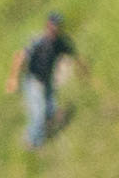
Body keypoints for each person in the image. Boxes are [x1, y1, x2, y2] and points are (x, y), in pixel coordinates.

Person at [10, 11, 78, 150]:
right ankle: (33, 142)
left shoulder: (60, 43)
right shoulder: (38, 41)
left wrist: (83, 69)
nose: (54, 28)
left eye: (57, 26)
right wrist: (13, 79)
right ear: (47, 26)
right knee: (38, 114)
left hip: (47, 80)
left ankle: (50, 121)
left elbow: (74, 54)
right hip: (33, 81)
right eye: (52, 25)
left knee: (50, 107)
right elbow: (19, 56)